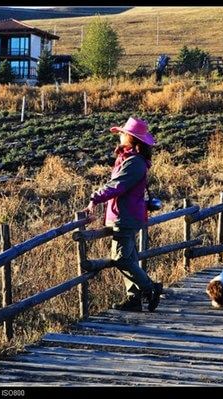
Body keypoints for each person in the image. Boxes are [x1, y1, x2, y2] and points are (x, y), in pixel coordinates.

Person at [83, 117, 162, 312]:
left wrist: (95, 197)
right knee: (130, 257)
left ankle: (150, 288)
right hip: (127, 213)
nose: (119, 135)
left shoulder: (133, 162)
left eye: (122, 133)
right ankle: (134, 299)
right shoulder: (133, 160)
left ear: (131, 138)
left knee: (121, 258)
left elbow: (117, 185)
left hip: (125, 215)